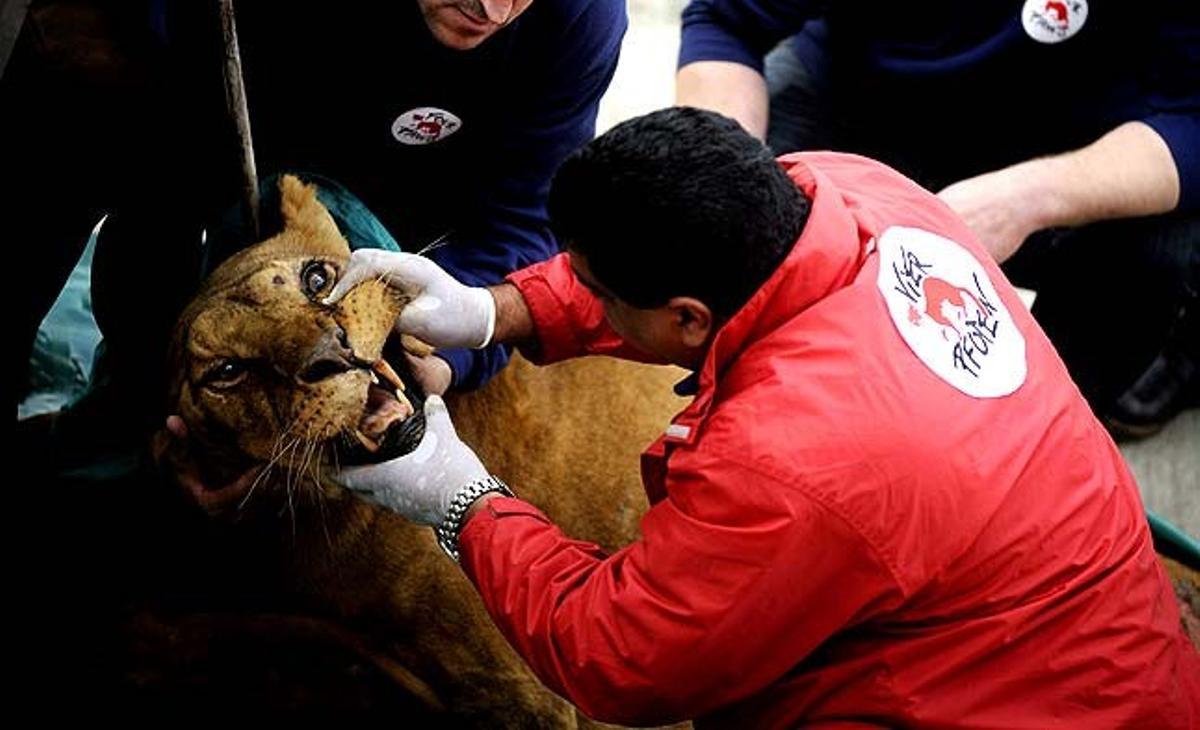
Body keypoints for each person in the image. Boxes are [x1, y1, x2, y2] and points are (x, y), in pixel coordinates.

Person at [326, 108, 1200, 727]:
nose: (583, 292)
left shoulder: (785, 464)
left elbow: (623, 655)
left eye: (595, 290)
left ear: (688, 322)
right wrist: (495, 311)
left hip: (1017, 703)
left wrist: (455, 495)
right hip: (1077, 626)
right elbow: (686, 279)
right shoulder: (851, 191)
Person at [10, 0, 626, 407]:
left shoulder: (580, 18)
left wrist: (446, 359)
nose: (493, 8)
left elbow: (521, 222)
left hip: (405, 260)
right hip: (206, 163)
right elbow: (150, 201)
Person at [674, 0, 1199, 437]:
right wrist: (734, 179)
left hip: (1076, 146)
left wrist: (1022, 200)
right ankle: (753, 416)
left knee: (1155, 254)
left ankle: (1028, 443)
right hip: (864, 94)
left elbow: (1191, 120)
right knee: (726, 221)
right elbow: (725, 21)